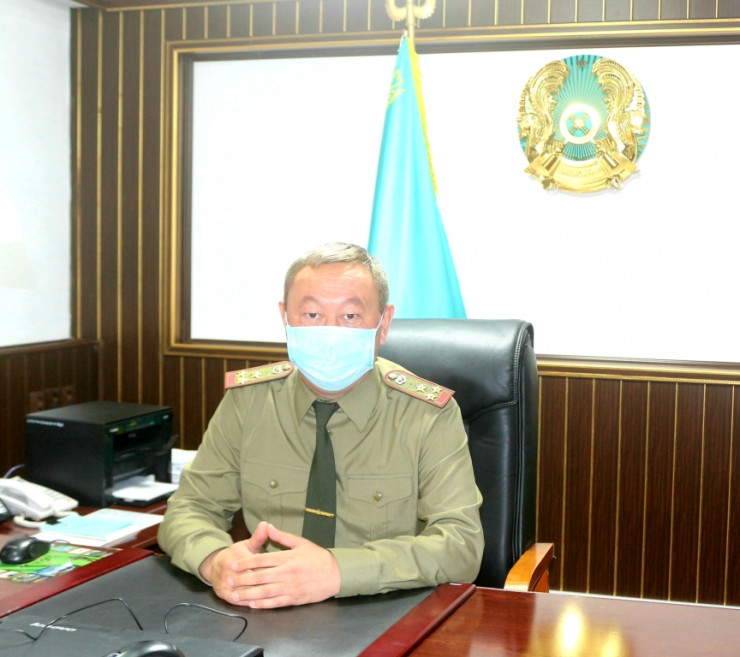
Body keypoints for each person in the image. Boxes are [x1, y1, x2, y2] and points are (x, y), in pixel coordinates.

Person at [157, 242, 483, 609]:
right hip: (265, 607)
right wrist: (214, 560)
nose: (329, 332)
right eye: (312, 314)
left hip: (385, 607)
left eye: (350, 316)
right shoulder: (249, 401)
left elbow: (461, 545)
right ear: (285, 318)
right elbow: (189, 509)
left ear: (384, 324)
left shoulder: (427, 414)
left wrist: (337, 571)